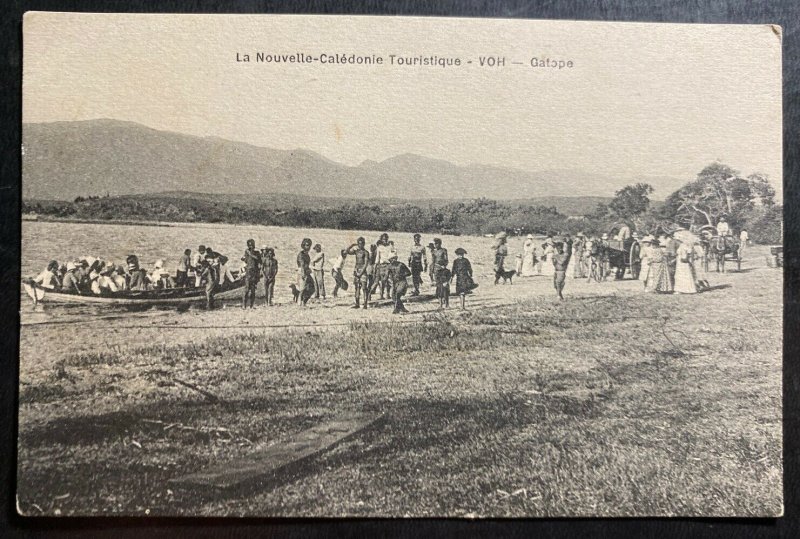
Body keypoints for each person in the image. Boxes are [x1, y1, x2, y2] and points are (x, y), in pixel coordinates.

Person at [347, 237, 370, 309]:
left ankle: (365, 304)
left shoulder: (366, 252)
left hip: (362, 271)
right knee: (357, 288)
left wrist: (361, 272)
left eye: (362, 243)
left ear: (364, 244)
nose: (360, 245)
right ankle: (357, 304)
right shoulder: (356, 251)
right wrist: (351, 245)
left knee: (364, 287)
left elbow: (365, 264)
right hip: (356, 270)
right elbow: (347, 251)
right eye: (359, 244)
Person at [370, 233, 393, 300]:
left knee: (389, 281)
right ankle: (381, 295)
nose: (385, 240)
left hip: (389, 265)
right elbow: (377, 258)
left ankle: (388, 295)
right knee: (382, 282)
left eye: (386, 239)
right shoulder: (379, 247)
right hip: (382, 265)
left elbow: (394, 255)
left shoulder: (390, 246)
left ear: (387, 239)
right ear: (381, 239)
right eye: (383, 239)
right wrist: (375, 266)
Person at [242, 239, 261, 309]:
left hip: (254, 273)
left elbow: (258, 260)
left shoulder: (257, 253)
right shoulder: (246, 252)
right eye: (249, 245)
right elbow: (246, 261)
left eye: (252, 245)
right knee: (246, 289)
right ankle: (244, 305)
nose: (251, 247)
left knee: (253, 290)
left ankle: (251, 305)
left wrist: (250, 254)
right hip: (248, 272)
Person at [432, 238, 450, 309]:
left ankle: (447, 304)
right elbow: (433, 262)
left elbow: (446, 260)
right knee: (439, 288)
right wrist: (432, 271)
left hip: (443, 271)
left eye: (437, 244)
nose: (436, 245)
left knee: (445, 287)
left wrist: (444, 265)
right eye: (435, 244)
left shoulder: (444, 250)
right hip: (436, 271)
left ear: (440, 244)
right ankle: (440, 304)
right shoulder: (433, 252)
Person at [296, 238, 313, 306]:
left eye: (309, 245)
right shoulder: (301, 254)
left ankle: (304, 302)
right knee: (302, 288)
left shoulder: (307, 254)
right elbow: (302, 264)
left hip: (306, 271)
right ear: (303, 245)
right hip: (302, 271)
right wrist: (303, 273)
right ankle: (300, 302)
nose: (308, 247)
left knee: (312, 288)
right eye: (307, 245)